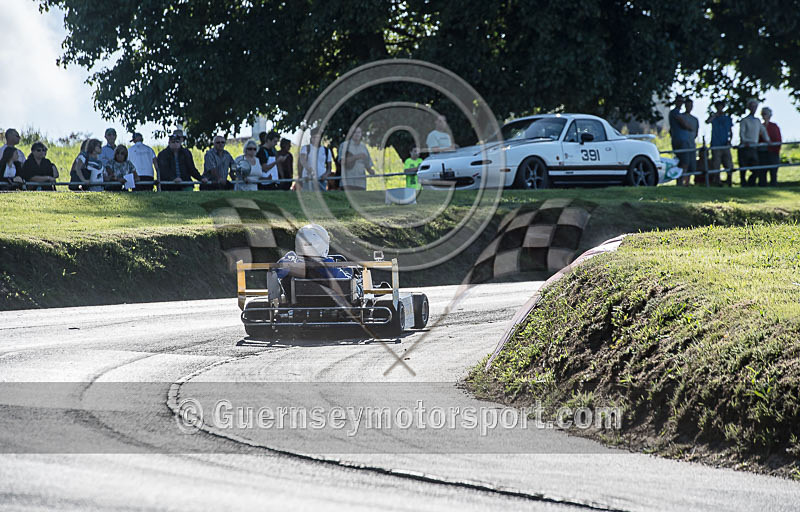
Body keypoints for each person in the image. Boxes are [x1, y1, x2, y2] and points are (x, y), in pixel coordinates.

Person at [276, 224, 352, 280]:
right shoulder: (330, 268)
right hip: (328, 301)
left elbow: (275, 277)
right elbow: (349, 285)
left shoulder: (290, 266)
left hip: (297, 300)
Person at [739, 99, 770, 187]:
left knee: (756, 168)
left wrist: (768, 140)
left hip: (754, 146)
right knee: (743, 168)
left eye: (755, 106)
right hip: (746, 146)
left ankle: (751, 184)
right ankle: (743, 184)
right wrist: (744, 141)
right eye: (752, 106)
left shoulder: (757, 121)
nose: (754, 108)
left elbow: (763, 131)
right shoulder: (744, 120)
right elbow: (742, 132)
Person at [706, 100, 733, 186]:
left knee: (728, 163)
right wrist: (714, 115)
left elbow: (730, 131)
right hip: (715, 145)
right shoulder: (714, 117)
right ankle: (717, 181)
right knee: (716, 164)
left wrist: (729, 140)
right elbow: (707, 121)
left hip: (725, 145)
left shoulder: (727, 118)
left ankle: (729, 180)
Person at [761, 107, 782, 186]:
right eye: (763, 114)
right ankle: (763, 187)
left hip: (773, 152)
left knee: (773, 172)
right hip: (763, 153)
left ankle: (774, 185)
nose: (764, 115)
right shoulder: (760, 126)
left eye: (766, 113)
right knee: (762, 172)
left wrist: (775, 149)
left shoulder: (774, 126)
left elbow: (778, 139)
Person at [682, 99, 699, 185]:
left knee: (691, 164)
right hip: (684, 144)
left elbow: (696, 133)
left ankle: (687, 182)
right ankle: (682, 182)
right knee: (684, 163)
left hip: (692, 144)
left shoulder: (695, 120)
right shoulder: (681, 117)